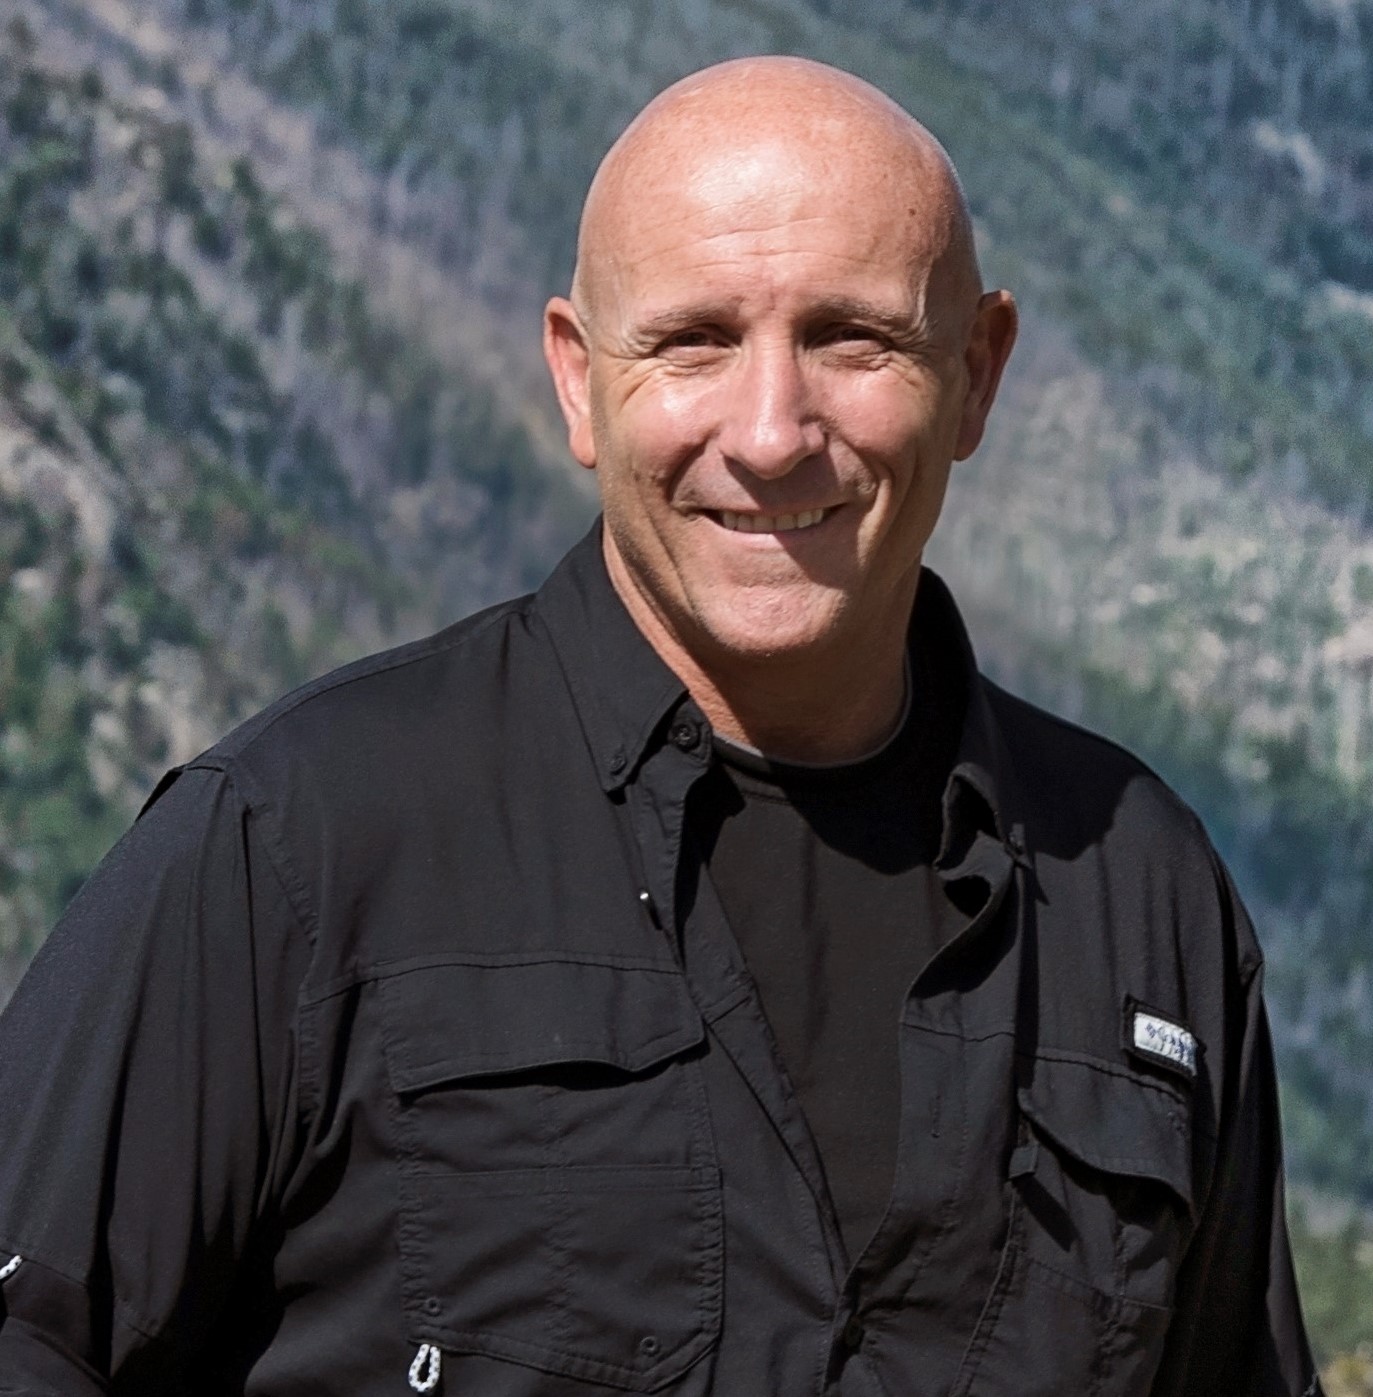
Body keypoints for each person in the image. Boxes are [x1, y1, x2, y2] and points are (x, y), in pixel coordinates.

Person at [0, 55, 1318, 1397]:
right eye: (693, 341)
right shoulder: (300, 847)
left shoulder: (1142, 901)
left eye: (850, 338)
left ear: (975, 374)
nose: (769, 430)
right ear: (578, 381)